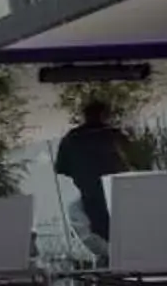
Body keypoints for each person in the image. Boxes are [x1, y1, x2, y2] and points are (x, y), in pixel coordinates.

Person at [54, 103, 131, 246]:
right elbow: (134, 163)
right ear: (105, 115)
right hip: (118, 193)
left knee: (100, 233)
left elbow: (62, 168)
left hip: (90, 193)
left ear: (84, 116)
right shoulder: (115, 136)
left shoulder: (72, 138)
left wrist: (83, 174)